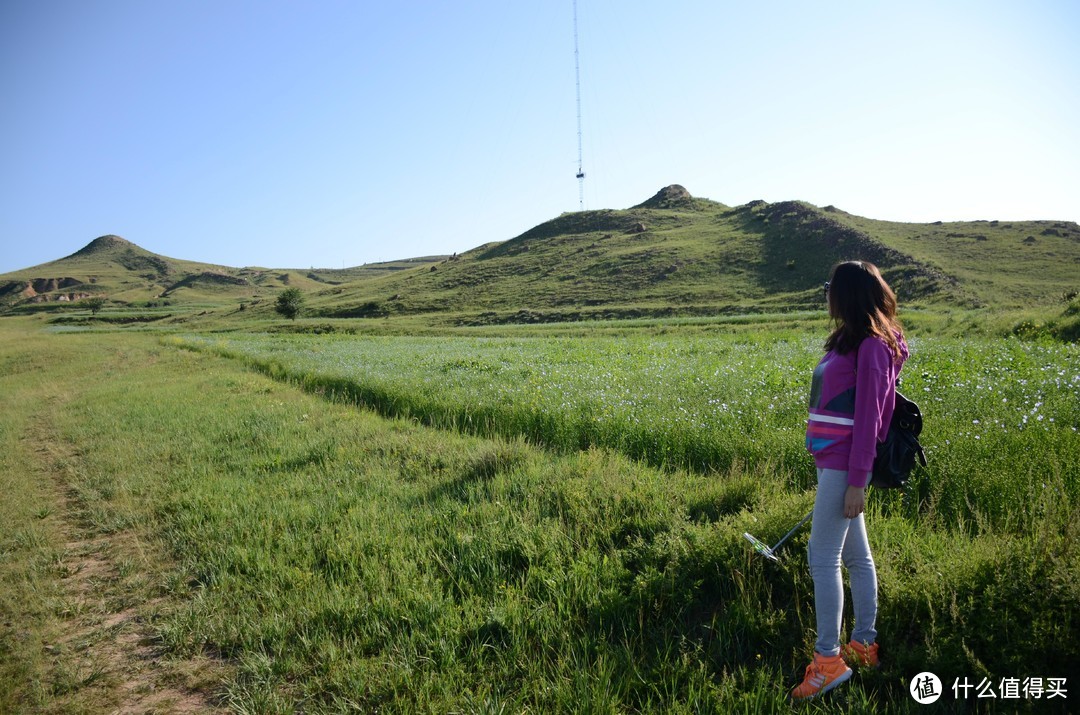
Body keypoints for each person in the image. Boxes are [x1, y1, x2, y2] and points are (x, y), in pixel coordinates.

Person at [791, 260, 909, 701]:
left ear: (849, 294)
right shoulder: (851, 339)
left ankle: (827, 663)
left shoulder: (873, 349)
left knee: (822, 558)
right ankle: (862, 645)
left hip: (845, 466)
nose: (826, 293)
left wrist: (856, 481)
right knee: (857, 557)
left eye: (830, 286)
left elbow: (870, 422)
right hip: (835, 464)